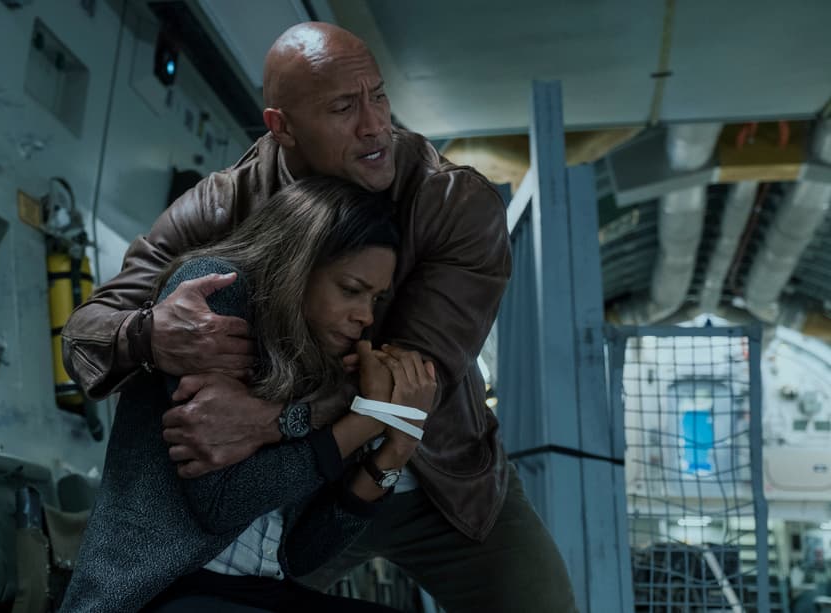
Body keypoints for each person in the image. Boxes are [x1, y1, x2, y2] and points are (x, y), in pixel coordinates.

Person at [62, 21, 577, 613]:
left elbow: (408, 381)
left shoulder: (453, 203)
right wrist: (150, 333)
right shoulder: (223, 206)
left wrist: (272, 421)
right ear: (281, 127)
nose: (375, 125)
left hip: (436, 476)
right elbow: (86, 332)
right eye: (343, 108)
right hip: (296, 493)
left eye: (378, 96)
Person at [61, 177, 437, 613]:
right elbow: (223, 504)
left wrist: (395, 449)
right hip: (158, 591)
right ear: (297, 265)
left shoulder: (329, 364)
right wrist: (365, 420)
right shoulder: (215, 294)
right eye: (351, 290)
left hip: (255, 590)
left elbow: (302, 554)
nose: (365, 316)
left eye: (375, 299)